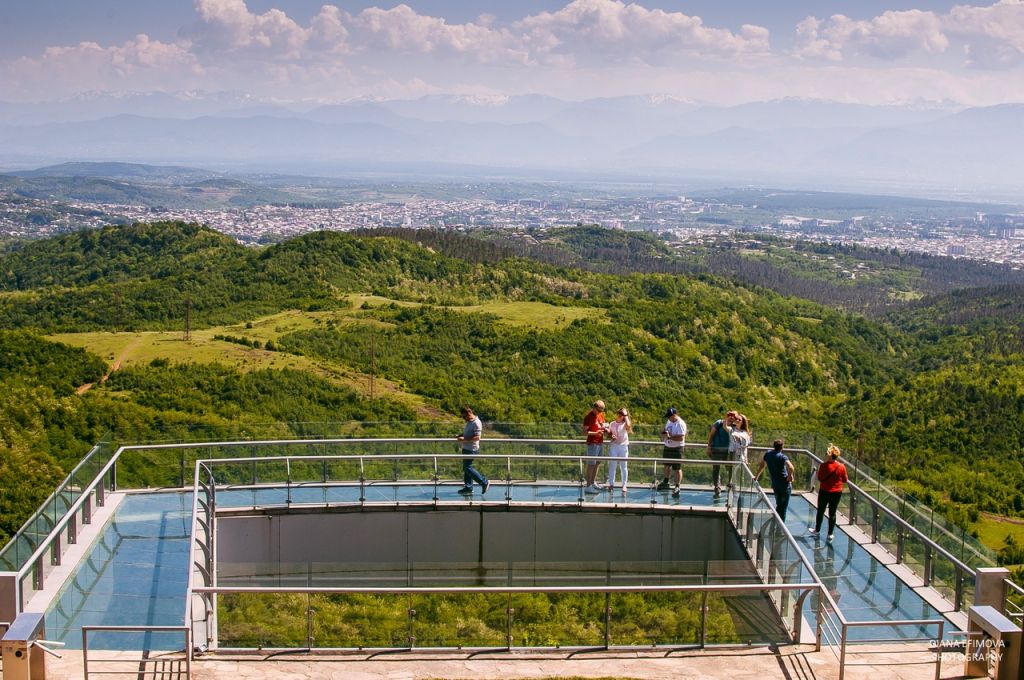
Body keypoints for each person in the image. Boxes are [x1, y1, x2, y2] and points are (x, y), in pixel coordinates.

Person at [810, 444, 849, 544]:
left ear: (830, 455)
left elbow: (820, 478)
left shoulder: (823, 466)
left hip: (824, 491)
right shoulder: (841, 467)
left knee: (821, 511)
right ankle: (830, 534)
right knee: (832, 513)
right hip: (836, 493)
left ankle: (817, 530)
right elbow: (845, 480)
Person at [755, 439, 795, 520]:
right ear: (782, 447)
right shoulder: (782, 457)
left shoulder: (768, 454)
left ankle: (775, 521)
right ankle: (781, 528)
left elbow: (762, 465)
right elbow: (791, 467)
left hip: (775, 484)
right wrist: (790, 475)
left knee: (779, 505)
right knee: (783, 509)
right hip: (785, 485)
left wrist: (756, 477)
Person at [456, 406, 489, 495]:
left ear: (469, 413)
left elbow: (477, 437)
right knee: (466, 468)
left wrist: (464, 440)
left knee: (467, 468)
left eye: (464, 416)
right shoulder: (470, 422)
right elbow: (469, 434)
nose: (464, 418)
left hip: (471, 449)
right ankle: (468, 487)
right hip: (466, 448)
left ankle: (484, 482)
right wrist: (461, 435)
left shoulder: (476, 423)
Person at [707, 410, 738, 496]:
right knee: (716, 469)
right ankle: (717, 487)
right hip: (717, 449)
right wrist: (709, 447)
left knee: (730, 468)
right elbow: (711, 435)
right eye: (730, 415)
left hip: (729, 451)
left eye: (734, 417)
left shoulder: (735, 427)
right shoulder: (719, 423)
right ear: (726, 416)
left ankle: (730, 485)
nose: (731, 418)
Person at [658, 407, 687, 497]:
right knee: (666, 465)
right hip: (668, 446)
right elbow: (665, 429)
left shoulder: (680, 424)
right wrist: (663, 433)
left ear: (674, 415)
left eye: (669, 416)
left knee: (677, 468)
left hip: (677, 448)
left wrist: (669, 437)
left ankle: (677, 485)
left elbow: (681, 437)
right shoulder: (669, 421)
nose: (668, 418)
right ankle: (666, 481)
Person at [582, 400, 607, 494]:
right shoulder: (588, 417)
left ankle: (593, 482)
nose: (601, 412)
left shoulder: (600, 416)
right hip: (592, 443)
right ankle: (588, 485)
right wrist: (596, 433)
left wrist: (606, 429)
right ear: (594, 408)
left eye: (602, 410)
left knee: (597, 463)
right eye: (600, 410)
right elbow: (584, 432)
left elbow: (602, 426)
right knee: (591, 464)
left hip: (600, 442)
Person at [607, 407, 632, 492]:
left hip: (623, 446)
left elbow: (629, 426)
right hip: (614, 445)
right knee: (612, 465)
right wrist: (611, 436)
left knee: (623, 466)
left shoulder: (625, 424)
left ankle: (624, 485)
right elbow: (609, 434)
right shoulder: (612, 423)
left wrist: (626, 416)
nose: (620, 416)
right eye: (619, 414)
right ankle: (611, 484)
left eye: (622, 415)